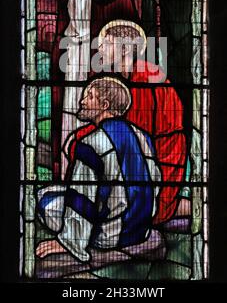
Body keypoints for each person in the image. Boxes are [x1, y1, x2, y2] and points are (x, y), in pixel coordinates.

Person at [65, 20, 189, 225]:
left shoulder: (149, 78)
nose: (100, 48)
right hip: (132, 153)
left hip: (159, 160)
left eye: (106, 43)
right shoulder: (113, 77)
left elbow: (135, 132)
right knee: (76, 141)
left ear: (124, 48)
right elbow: (115, 124)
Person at [36, 77, 161, 260]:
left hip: (109, 235)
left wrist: (68, 242)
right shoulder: (142, 137)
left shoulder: (92, 144)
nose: (82, 101)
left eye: (90, 97)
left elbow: (83, 197)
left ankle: (75, 238)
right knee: (59, 191)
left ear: (104, 105)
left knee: (44, 198)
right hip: (141, 229)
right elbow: (155, 181)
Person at [51, 0, 139, 179]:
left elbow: (127, 32)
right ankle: (70, 174)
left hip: (98, 62)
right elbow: (62, 29)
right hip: (71, 60)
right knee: (70, 112)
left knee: (96, 112)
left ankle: (100, 177)